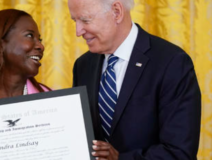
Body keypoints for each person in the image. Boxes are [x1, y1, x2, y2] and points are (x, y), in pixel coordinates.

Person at [69, 0, 201, 159]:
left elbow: (180, 152)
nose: (78, 31)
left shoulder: (172, 62)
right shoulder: (82, 66)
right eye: (74, 21)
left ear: (116, 12)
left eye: (85, 20)